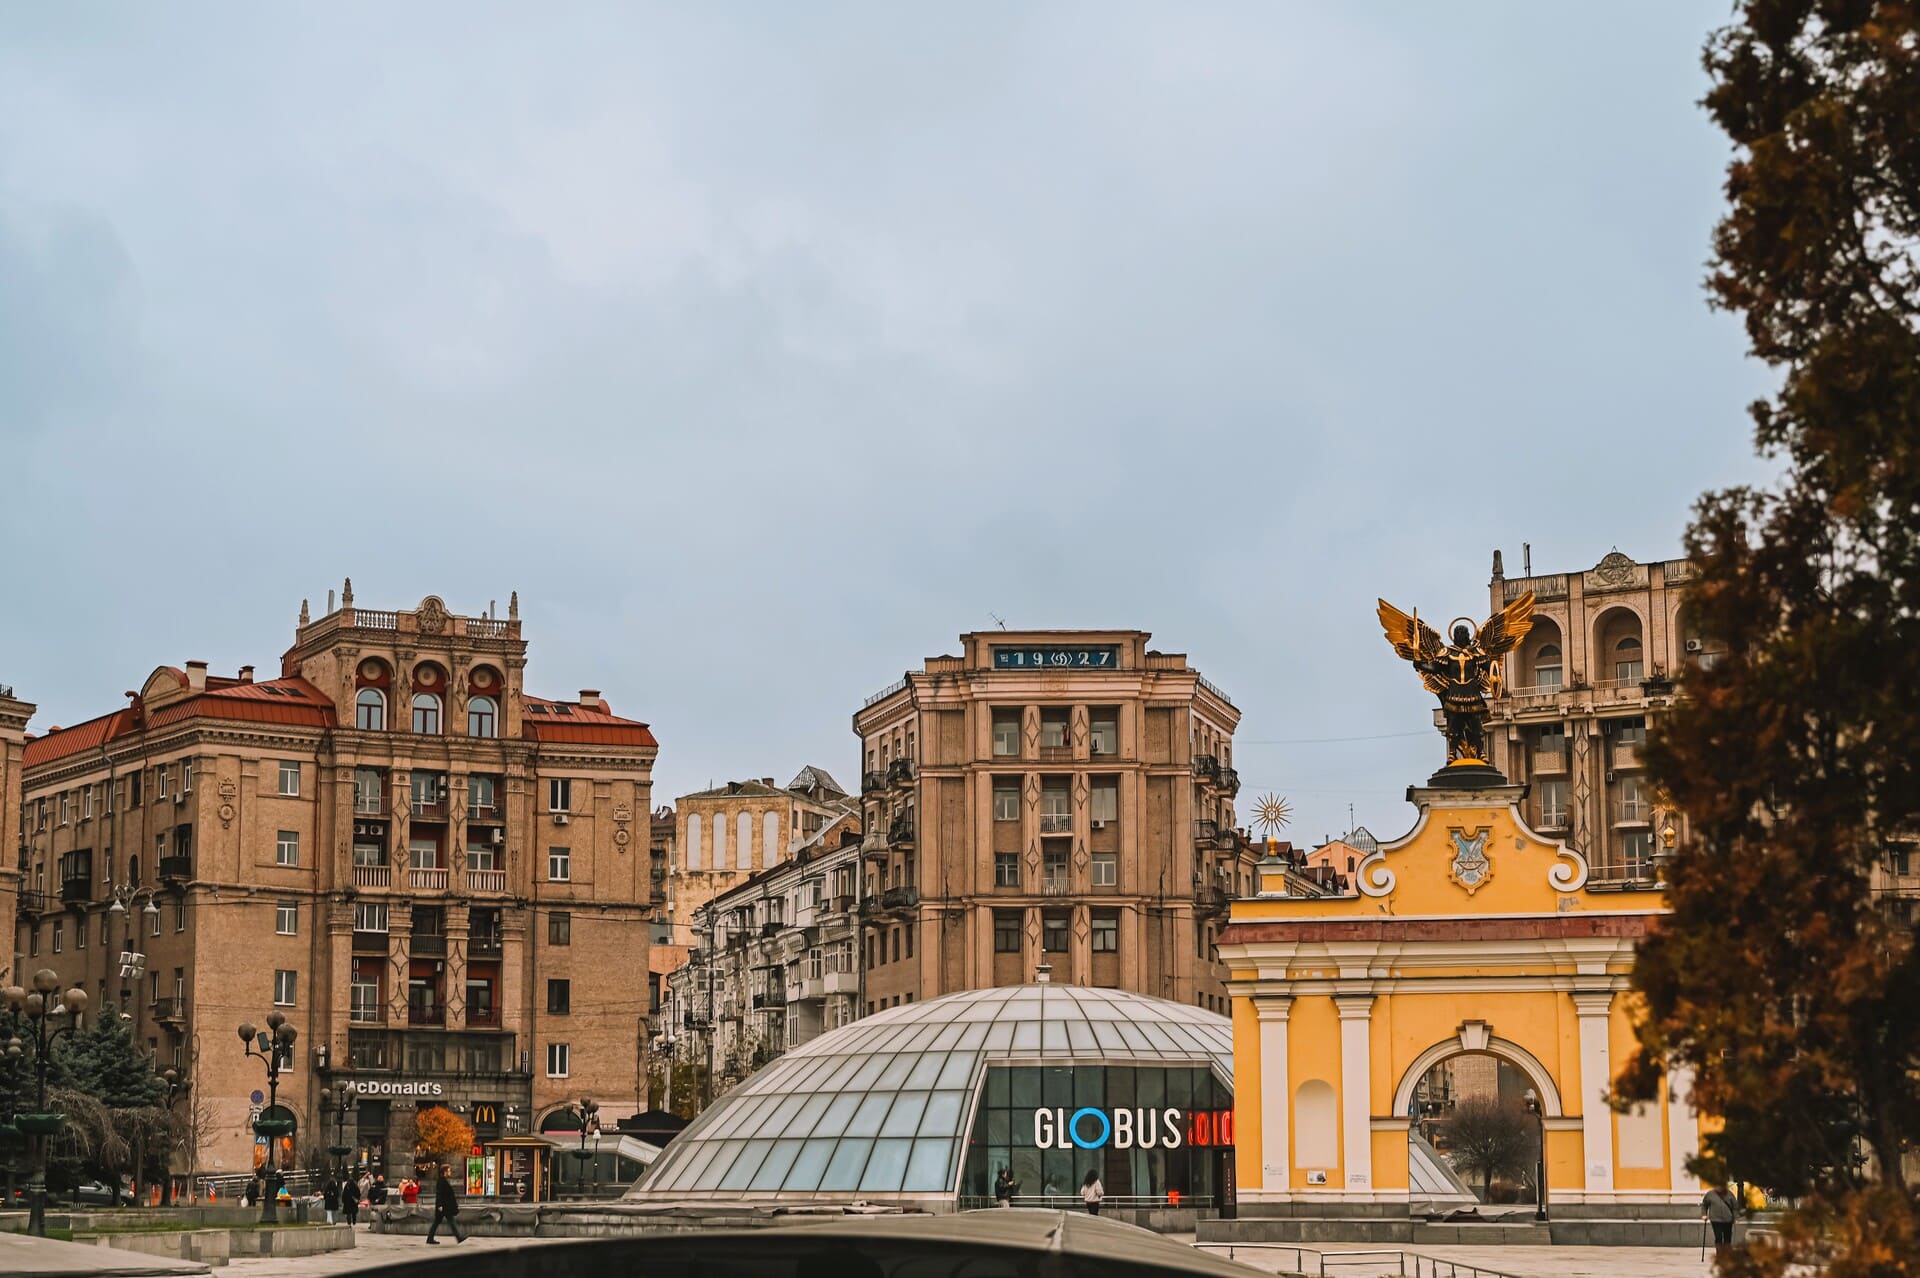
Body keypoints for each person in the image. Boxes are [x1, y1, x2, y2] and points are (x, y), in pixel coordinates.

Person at [426, 1164, 466, 1244]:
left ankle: (430, 1238)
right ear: (445, 1172)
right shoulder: (441, 1180)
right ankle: (459, 1237)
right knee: (451, 1221)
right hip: (444, 1206)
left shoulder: (443, 1180)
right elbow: (439, 1193)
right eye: (449, 1170)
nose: (450, 1172)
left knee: (437, 1222)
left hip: (444, 1206)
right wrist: (440, 1205)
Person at [1702, 1183, 1739, 1249]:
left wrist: (1735, 1217)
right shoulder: (1710, 1194)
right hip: (1715, 1219)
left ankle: (1726, 1255)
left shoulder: (1729, 1194)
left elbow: (1735, 1206)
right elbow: (1704, 1205)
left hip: (1728, 1219)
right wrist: (1704, 1214)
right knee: (1718, 1237)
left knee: (1727, 1239)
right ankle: (1719, 1255)